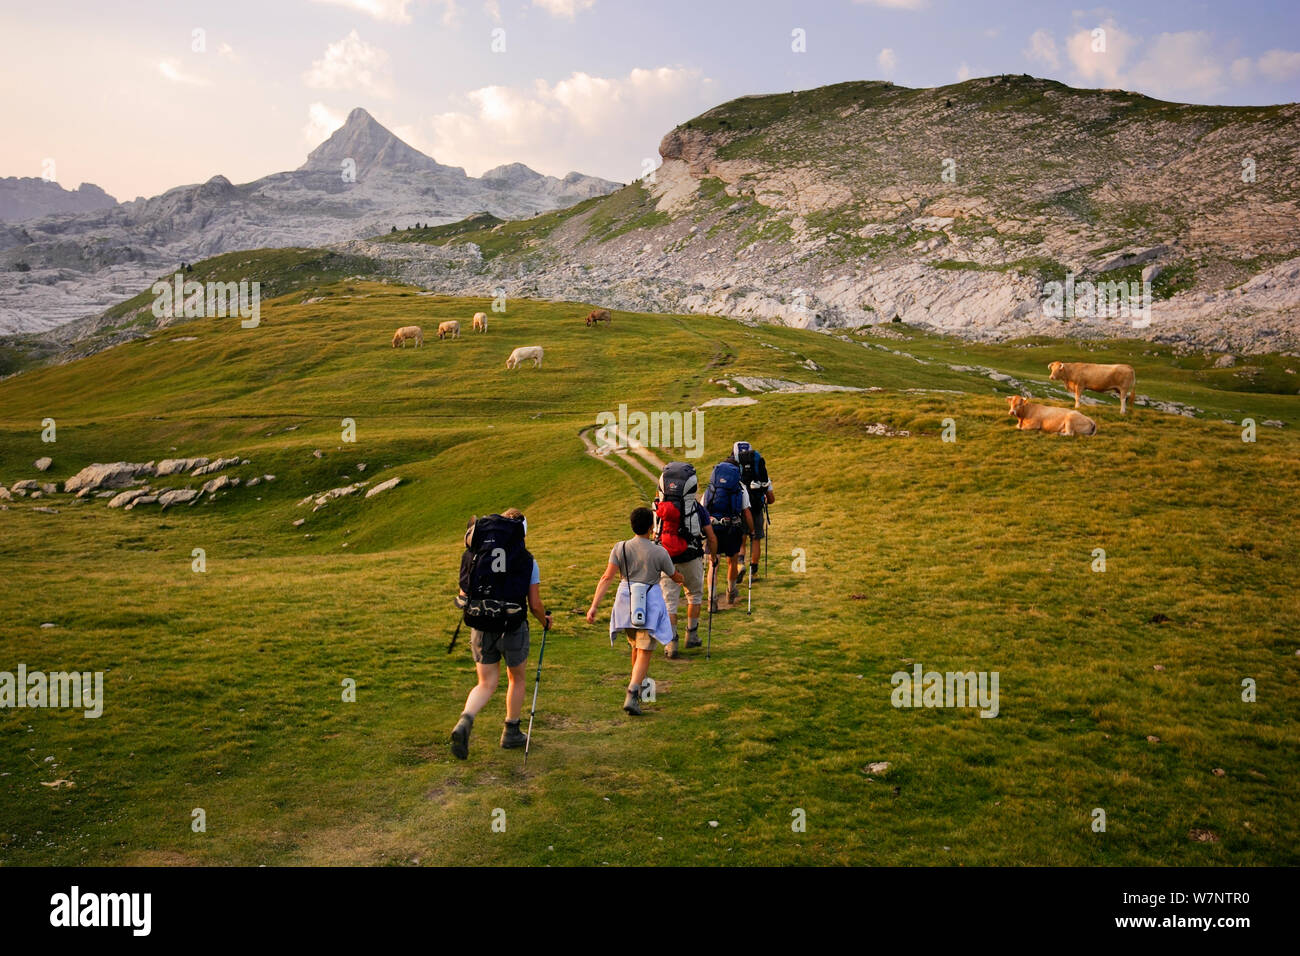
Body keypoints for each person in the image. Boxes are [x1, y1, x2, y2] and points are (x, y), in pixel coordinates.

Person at [450, 508, 552, 759]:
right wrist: (545, 621)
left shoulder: (475, 553)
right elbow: (535, 604)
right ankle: (511, 732)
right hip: (513, 626)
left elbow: (464, 592)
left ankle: (465, 720)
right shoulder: (527, 559)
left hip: (481, 624)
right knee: (516, 678)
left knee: (486, 683)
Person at [587, 507, 684, 715]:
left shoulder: (619, 548)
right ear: (651, 527)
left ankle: (638, 688)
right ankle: (632, 693)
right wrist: (681, 578)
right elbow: (674, 576)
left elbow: (606, 578)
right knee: (645, 650)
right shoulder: (659, 551)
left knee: (635, 647)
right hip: (649, 605)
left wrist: (594, 606)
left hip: (626, 605)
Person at [703, 457, 754, 609]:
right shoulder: (740, 487)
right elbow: (746, 513)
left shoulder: (712, 487)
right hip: (732, 529)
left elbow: (703, 508)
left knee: (714, 563)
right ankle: (730, 592)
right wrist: (752, 531)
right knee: (732, 561)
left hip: (713, 529)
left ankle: (711, 600)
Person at [731, 441, 775, 580]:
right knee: (756, 539)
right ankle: (754, 572)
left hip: (741, 509)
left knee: (741, 539)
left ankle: (740, 565)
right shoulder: (760, 471)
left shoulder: (734, 470)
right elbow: (771, 498)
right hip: (757, 507)